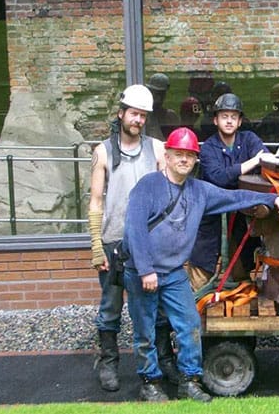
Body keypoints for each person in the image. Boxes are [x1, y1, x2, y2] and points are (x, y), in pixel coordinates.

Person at [121, 127, 279, 402]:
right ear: (168, 155)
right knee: (145, 330)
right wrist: (145, 270)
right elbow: (134, 230)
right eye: (179, 154)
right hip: (143, 273)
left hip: (174, 273)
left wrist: (270, 198)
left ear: (195, 159)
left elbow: (235, 198)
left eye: (189, 155)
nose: (184, 160)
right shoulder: (147, 187)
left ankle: (189, 381)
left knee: (189, 325)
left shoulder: (199, 191)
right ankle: (150, 382)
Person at [88, 84, 179, 392]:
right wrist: (95, 245)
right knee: (111, 305)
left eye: (143, 115)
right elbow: (96, 202)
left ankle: (164, 359)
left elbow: (170, 192)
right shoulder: (103, 151)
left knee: (157, 305)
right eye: (134, 114)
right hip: (114, 241)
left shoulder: (157, 149)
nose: (138, 120)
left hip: (149, 242)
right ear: (121, 113)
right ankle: (109, 361)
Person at [190, 93, 270, 285]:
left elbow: (266, 160)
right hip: (211, 218)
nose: (229, 121)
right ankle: (194, 312)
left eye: (233, 117)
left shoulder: (249, 139)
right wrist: (252, 162)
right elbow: (219, 177)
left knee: (240, 272)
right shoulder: (209, 147)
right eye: (224, 116)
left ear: (240, 121)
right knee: (201, 274)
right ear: (216, 120)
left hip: (241, 218)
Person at [144, 73, 180, 140]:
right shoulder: (143, 115)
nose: (158, 99)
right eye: (155, 93)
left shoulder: (171, 116)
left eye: (161, 94)